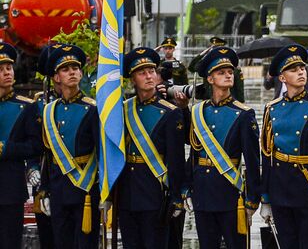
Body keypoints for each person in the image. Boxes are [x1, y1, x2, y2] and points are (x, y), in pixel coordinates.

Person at [259, 44, 308, 249]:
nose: (300, 73)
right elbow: (267, 155)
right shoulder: (272, 108)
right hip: (280, 189)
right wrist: (265, 198)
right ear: (282, 78)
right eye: (293, 70)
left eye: (302, 68)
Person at [188, 44, 262, 249]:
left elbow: (253, 160)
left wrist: (252, 198)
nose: (228, 75)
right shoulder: (198, 112)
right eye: (221, 72)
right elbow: (194, 155)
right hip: (202, 192)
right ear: (210, 79)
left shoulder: (244, 114)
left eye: (230, 72)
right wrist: (187, 187)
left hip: (231, 193)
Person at [116, 47, 186, 249]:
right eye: (141, 73)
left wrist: (176, 196)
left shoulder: (170, 112)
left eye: (151, 71)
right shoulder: (123, 109)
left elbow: (176, 159)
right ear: (132, 80)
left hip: (155, 192)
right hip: (127, 192)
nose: (148, 76)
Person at [36, 42, 99, 249]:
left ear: (81, 74)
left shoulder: (93, 109)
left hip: (86, 188)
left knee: (85, 244)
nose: (71, 72)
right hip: (58, 188)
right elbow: (47, 154)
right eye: (65, 69)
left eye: (75, 68)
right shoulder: (49, 111)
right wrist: (44, 189)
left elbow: (102, 154)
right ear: (56, 78)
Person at [0, 42, 40, 240]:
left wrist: (6, 148)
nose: (7, 73)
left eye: (9, 68)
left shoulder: (26, 107)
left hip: (10, 188)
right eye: (1, 69)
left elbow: (34, 146)